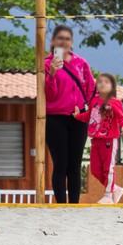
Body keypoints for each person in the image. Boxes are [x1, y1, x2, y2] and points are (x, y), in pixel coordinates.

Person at [45, 24, 95, 204]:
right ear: (53, 41)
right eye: (60, 38)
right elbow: (50, 95)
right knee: (60, 164)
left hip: (78, 119)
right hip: (55, 119)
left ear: (72, 42)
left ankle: (74, 204)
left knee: (75, 164)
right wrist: (52, 73)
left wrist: (87, 110)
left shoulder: (81, 64)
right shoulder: (46, 63)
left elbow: (90, 90)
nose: (63, 41)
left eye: (67, 39)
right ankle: (60, 204)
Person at [74, 73, 123, 204]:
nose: (103, 84)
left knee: (108, 169)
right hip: (96, 140)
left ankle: (108, 195)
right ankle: (115, 188)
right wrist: (77, 116)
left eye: (106, 82)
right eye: (100, 82)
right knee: (95, 170)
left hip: (109, 140)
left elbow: (122, 117)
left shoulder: (115, 102)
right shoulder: (94, 101)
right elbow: (89, 116)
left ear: (112, 87)